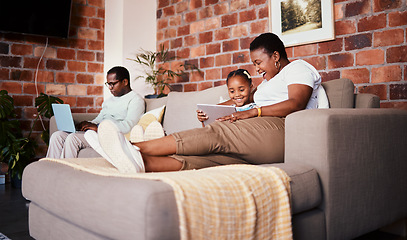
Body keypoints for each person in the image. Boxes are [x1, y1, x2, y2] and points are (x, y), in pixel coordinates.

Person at [97, 32, 322, 173]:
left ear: (275, 56)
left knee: (219, 133)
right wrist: (212, 110)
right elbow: (240, 101)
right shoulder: (265, 84)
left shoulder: (297, 68)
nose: (257, 69)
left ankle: (132, 148)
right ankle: (143, 163)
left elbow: (296, 103)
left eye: (258, 62)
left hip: (285, 131)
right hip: (261, 136)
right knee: (217, 160)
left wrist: (252, 113)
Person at [46, 66, 145, 159]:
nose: (110, 87)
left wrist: (98, 128)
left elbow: (128, 126)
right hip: (98, 132)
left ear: (125, 82)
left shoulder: (136, 100)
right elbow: (99, 118)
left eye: (113, 84)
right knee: (57, 136)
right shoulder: (109, 101)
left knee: (73, 138)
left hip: (111, 136)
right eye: (108, 84)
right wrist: (87, 124)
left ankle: (65, 173)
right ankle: (49, 170)